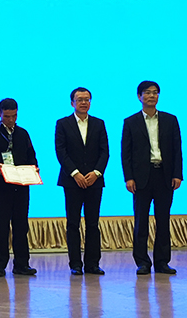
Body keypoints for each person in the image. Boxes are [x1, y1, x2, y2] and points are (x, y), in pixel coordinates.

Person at [122, 81, 183, 275]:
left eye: (155, 92)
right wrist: (129, 178)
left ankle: (162, 262)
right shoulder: (130, 122)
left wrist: (177, 174)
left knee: (163, 220)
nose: (151, 96)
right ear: (139, 96)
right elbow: (126, 153)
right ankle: (142, 262)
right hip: (141, 177)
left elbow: (177, 149)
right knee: (141, 221)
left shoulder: (170, 120)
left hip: (164, 175)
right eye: (147, 92)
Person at [0, 98, 38, 277]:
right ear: (0, 114)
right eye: (7, 116)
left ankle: (21, 264)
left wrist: (34, 168)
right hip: (0, 188)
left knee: (21, 226)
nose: (11, 120)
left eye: (14, 116)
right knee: (1, 226)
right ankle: (0, 265)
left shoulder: (23, 133)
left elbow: (31, 155)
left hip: (21, 187)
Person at [55, 87, 109, 276]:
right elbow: (61, 151)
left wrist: (96, 173)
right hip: (72, 182)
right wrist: (75, 174)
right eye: (80, 99)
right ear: (72, 103)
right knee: (73, 223)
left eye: (87, 99)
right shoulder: (63, 124)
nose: (84, 102)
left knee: (93, 223)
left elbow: (105, 151)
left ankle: (93, 264)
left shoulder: (99, 123)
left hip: (94, 181)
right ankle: (75, 264)